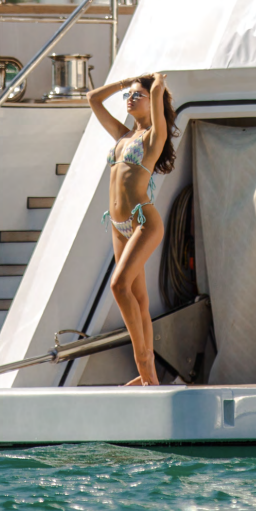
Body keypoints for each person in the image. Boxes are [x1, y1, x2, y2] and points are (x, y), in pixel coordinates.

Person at [87, 72, 177, 385]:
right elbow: (93, 99)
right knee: (138, 299)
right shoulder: (123, 135)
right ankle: (148, 376)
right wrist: (125, 83)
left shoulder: (154, 136)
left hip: (143, 222)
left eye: (139, 95)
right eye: (130, 95)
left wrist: (156, 83)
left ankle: (144, 365)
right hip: (118, 225)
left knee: (118, 286)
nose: (131, 99)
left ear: (153, 104)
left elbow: (157, 94)